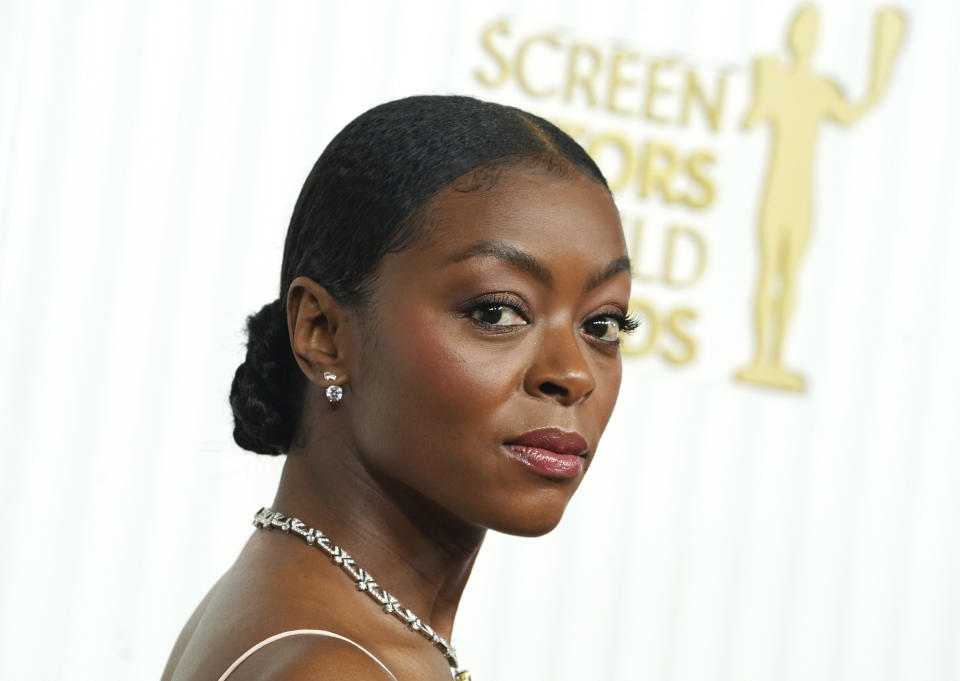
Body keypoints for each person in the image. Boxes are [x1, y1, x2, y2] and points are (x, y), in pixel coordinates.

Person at [160, 94, 636, 681]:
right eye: (495, 312)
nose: (572, 375)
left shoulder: (303, 612)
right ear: (323, 333)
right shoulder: (331, 666)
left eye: (603, 324)